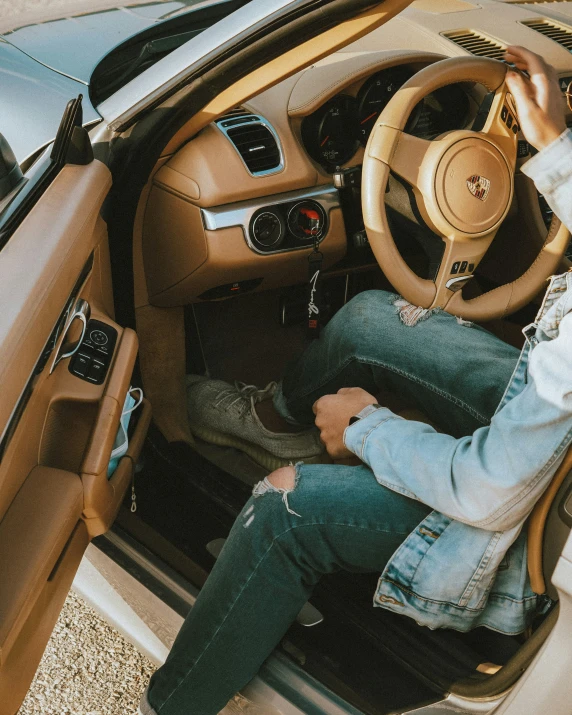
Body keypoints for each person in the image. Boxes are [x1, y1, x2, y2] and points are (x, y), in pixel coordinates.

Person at [139, 46, 572, 715]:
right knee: (372, 317)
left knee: (282, 510)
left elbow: (486, 493)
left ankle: (171, 706)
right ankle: (276, 423)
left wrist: (366, 427)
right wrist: (553, 144)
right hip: (550, 450)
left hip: (526, 538)